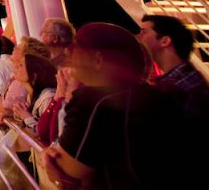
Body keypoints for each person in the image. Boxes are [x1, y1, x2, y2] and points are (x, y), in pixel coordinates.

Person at [41, 22, 184, 189]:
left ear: (98, 59)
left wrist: (47, 154)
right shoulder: (161, 96)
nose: (68, 50)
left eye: (78, 46)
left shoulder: (94, 102)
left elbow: (68, 171)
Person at [138, 13, 209, 122]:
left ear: (165, 41)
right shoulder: (184, 78)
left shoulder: (182, 86)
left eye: (144, 32)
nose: (138, 37)